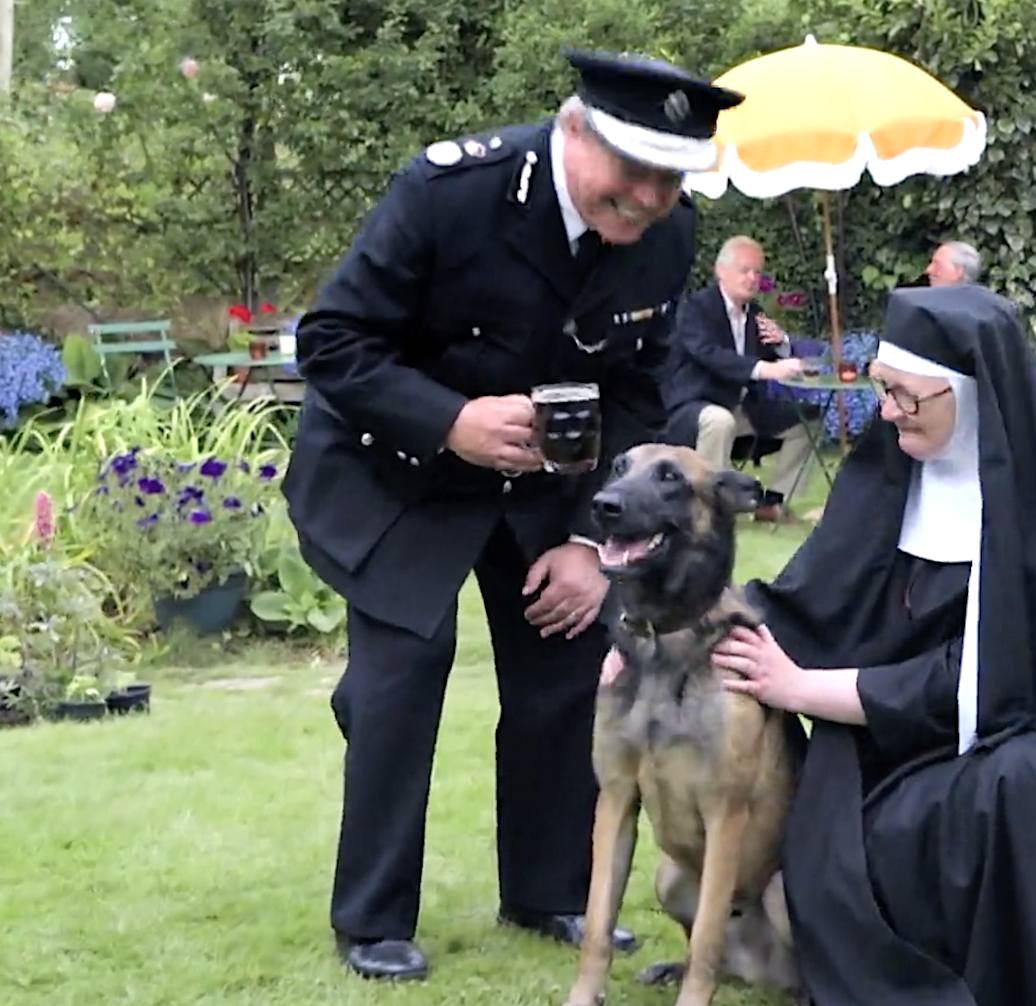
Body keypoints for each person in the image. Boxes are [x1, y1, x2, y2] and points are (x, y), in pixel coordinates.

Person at [280, 47, 744, 982]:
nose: (650, 197)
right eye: (632, 171)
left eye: (670, 177)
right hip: (396, 467)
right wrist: (450, 421)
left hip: (545, 484)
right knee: (405, 672)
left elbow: (639, 388)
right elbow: (330, 342)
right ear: (574, 131)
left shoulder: (667, 232)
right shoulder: (450, 192)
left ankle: (546, 891)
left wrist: (588, 540)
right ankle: (373, 917)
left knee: (562, 664)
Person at [708, 284, 1036, 1005]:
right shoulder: (889, 472)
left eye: (909, 397)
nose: (890, 411)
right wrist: (676, 633)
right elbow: (807, 597)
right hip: (908, 746)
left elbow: (1001, 681)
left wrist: (802, 690)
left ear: (973, 394)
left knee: (1030, 786)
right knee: (905, 822)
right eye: (884, 390)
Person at [662, 235, 816, 522]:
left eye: (758, 272)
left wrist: (782, 343)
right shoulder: (694, 307)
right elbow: (708, 354)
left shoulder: (754, 314)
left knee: (809, 420)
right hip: (694, 406)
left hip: (744, 408)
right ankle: (709, 510)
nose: (752, 279)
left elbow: (771, 357)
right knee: (719, 420)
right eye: (745, 270)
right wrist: (766, 370)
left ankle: (771, 503)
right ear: (721, 271)